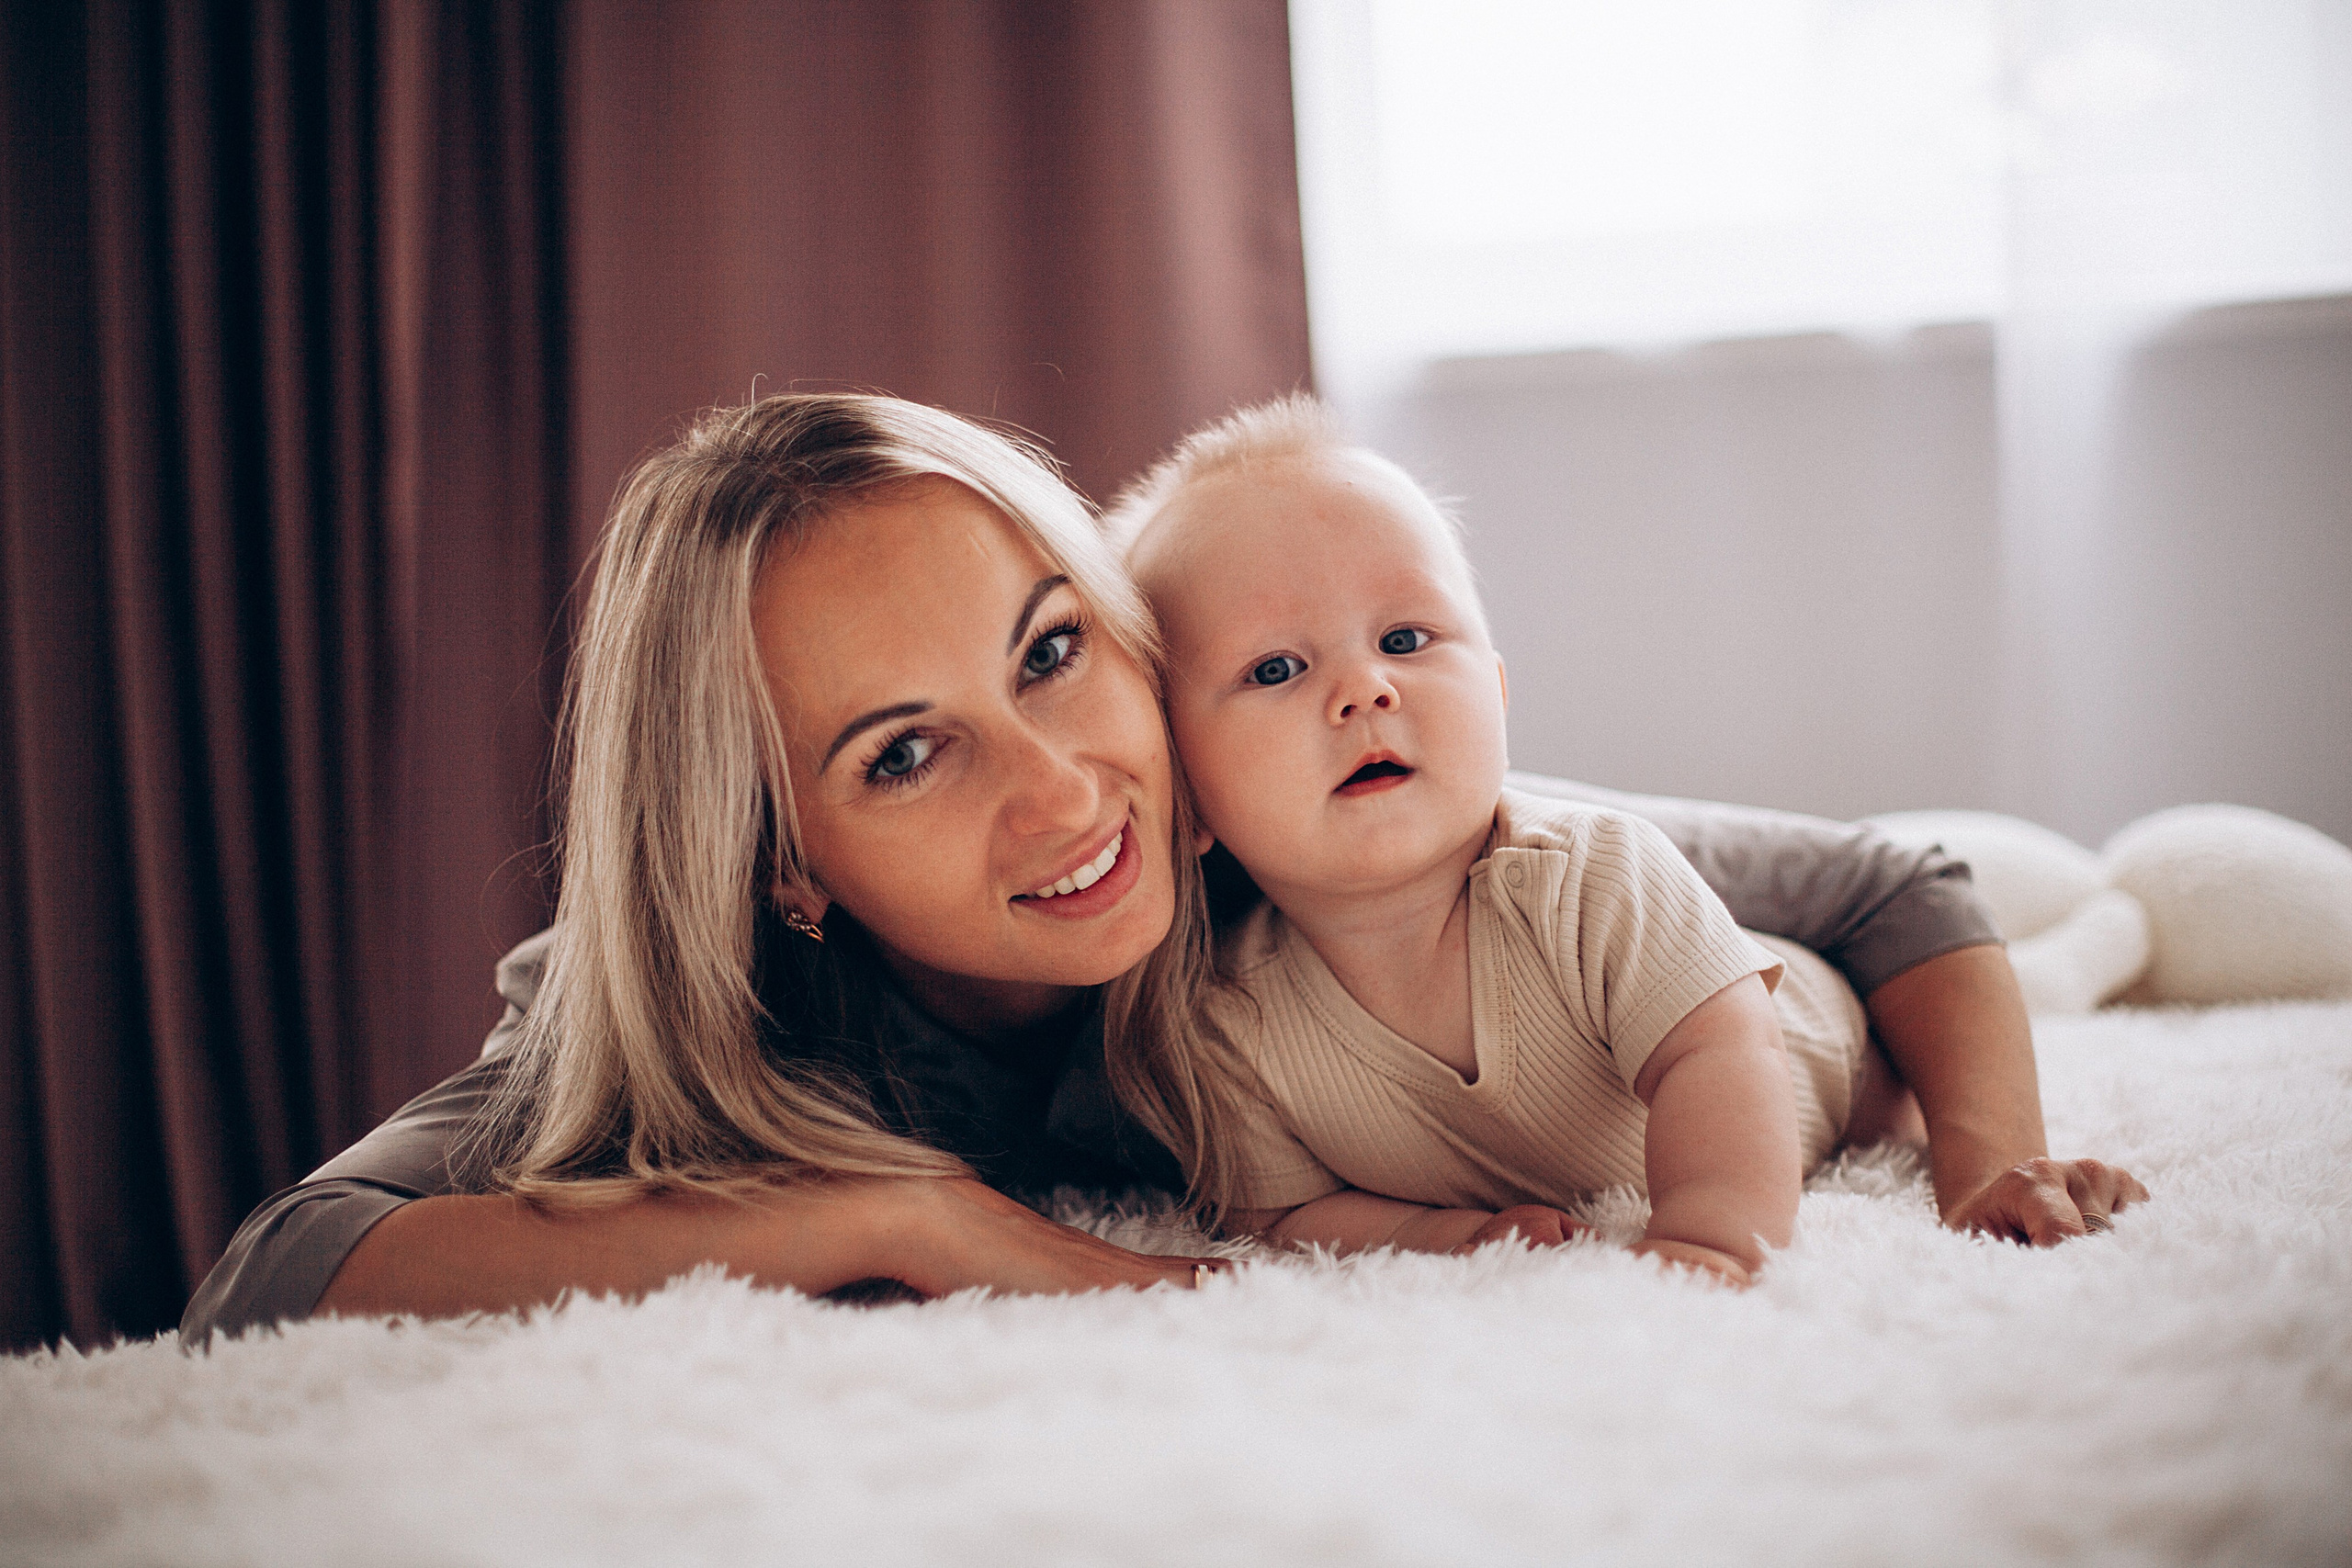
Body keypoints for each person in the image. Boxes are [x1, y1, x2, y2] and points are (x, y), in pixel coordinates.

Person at [183, 393, 2139, 1340]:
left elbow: (1881, 885)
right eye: (903, 752)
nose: (1063, 794)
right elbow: (273, 1274)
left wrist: (1983, 1151)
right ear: (782, 864)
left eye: (1050, 650)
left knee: (1955, 931)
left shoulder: (1293, 811)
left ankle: (2117, 904)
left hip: (1785, 993)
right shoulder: (730, 1004)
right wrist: (910, 1218)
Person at [1105, 395, 2147, 1283]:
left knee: (1972, 1045)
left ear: (1498, 698)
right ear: (1185, 797)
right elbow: (1287, 1217)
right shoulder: (1223, 1023)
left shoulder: (1590, 873)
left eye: (1406, 639)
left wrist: (1706, 1241)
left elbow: (1719, 1052)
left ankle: (2085, 942)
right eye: (1275, 670)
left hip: (1839, 1043)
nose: (1365, 688)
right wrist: (1446, 1235)